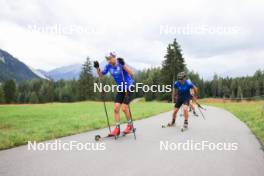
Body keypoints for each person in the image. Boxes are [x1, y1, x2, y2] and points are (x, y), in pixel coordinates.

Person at [93, 52, 135, 136]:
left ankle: (130, 125)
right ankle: (117, 129)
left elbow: (132, 73)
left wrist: (123, 65)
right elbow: (100, 75)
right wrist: (97, 68)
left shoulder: (120, 63)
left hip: (128, 87)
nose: (107, 60)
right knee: (116, 108)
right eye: (107, 58)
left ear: (114, 57)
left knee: (124, 108)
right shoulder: (108, 66)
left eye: (109, 58)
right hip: (121, 88)